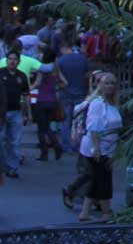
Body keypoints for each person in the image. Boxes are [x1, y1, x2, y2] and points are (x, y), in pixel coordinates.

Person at [75, 72, 122, 221]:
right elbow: (93, 127)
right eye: (106, 83)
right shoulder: (97, 103)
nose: (110, 86)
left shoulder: (113, 103)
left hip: (109, 146)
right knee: (103, 179)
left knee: (99, 179)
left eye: (112, 83)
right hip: (96, 147)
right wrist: (96, 148)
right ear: (100, 86)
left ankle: (86, 211)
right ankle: (105, 211)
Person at [0, 49, 31, 180]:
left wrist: (28, 114)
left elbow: (26, 96)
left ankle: (12, 168)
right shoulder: (0, 74)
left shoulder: (22, 76)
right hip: (1, 113)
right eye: (10, 59)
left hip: (16, 112)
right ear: (6, 61)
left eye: (14, 59)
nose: (12, 61)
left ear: (18, 62)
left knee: (15, 141)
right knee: (1, 140)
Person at [58, 36, 90, 153]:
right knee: (80, 121)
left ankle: (67, 146)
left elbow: (58, 79)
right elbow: (87, 76)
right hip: (80, 92)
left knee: (66, 120)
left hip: (66, 93)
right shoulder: (83, 59)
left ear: (64, 48)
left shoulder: (60, 61)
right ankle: (79, 145)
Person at [33, 47, 66, 161]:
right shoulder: (55, 69)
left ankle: (44, 153)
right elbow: (65, 82)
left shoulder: (42, 69)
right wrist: (56, 87)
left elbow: (37, 83)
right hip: (52, 101)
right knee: (47, 127)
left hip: (41, 101)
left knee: (41, 129)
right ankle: (57, 146)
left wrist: (28, 88)